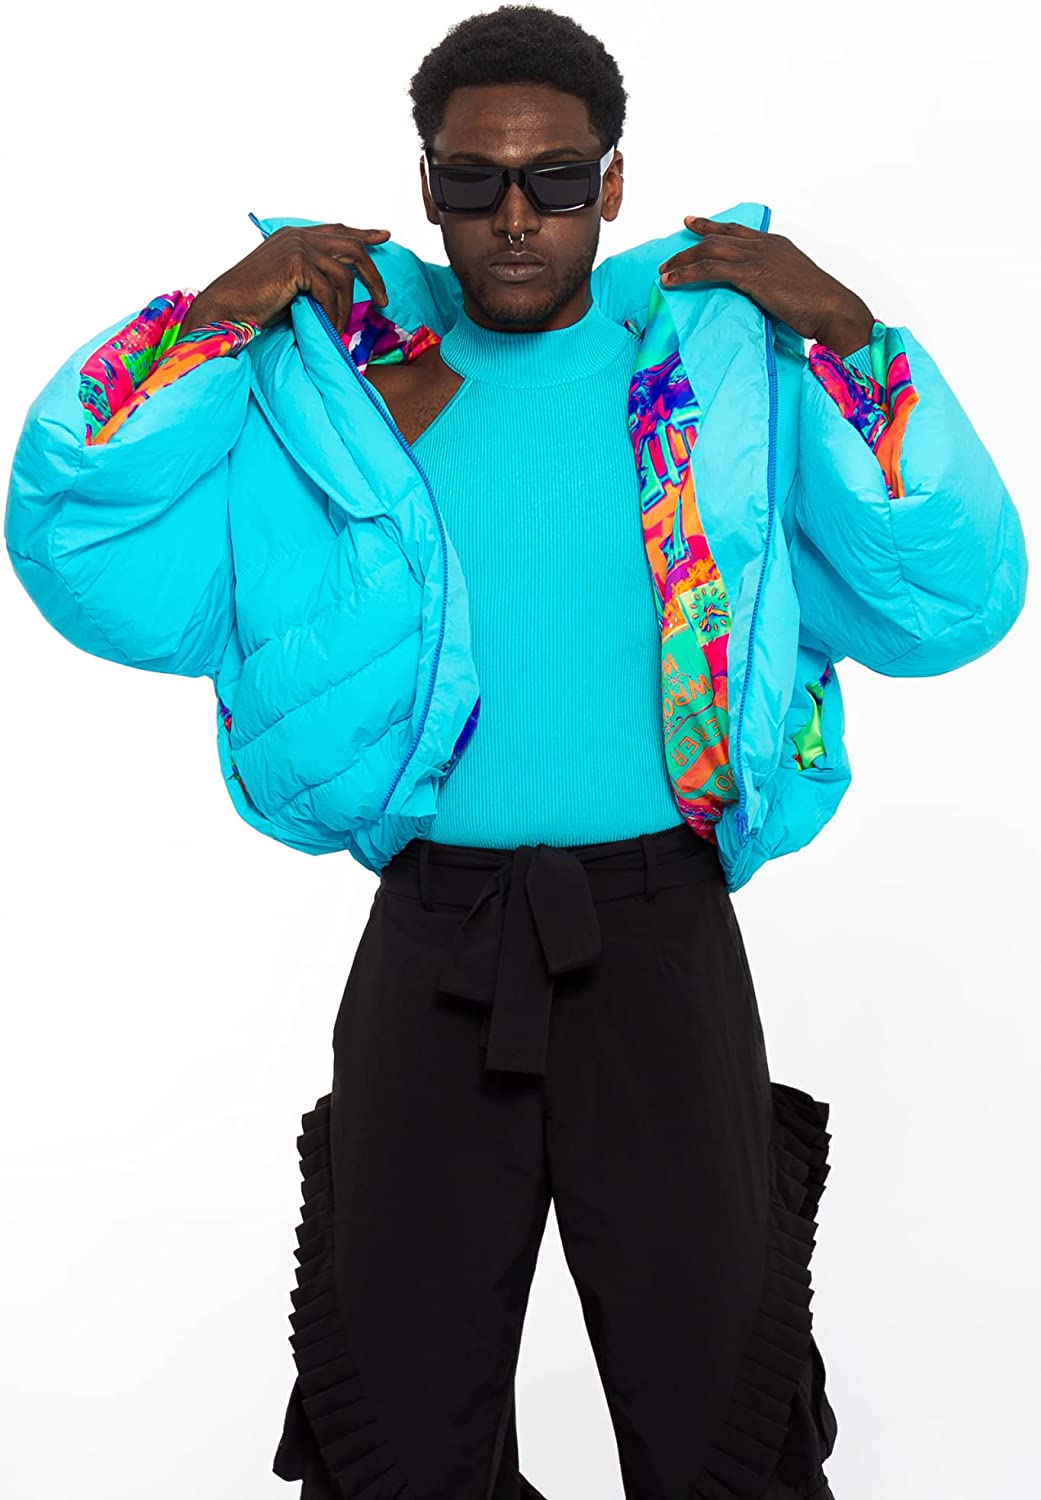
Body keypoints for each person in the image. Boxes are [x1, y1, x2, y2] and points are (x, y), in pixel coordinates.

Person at [4, 5, 1028, 1498]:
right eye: (473, 181)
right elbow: (76, 529)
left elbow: (952, 598)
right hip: (435, 934)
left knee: (717, 1410)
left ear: (611, 182)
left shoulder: (710, 362)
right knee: (396, 1417)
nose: (515, 217)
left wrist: (857, 341)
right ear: (425, 186)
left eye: (554, 178)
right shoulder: (343, 365)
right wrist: (210, 321)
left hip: (662, 931)